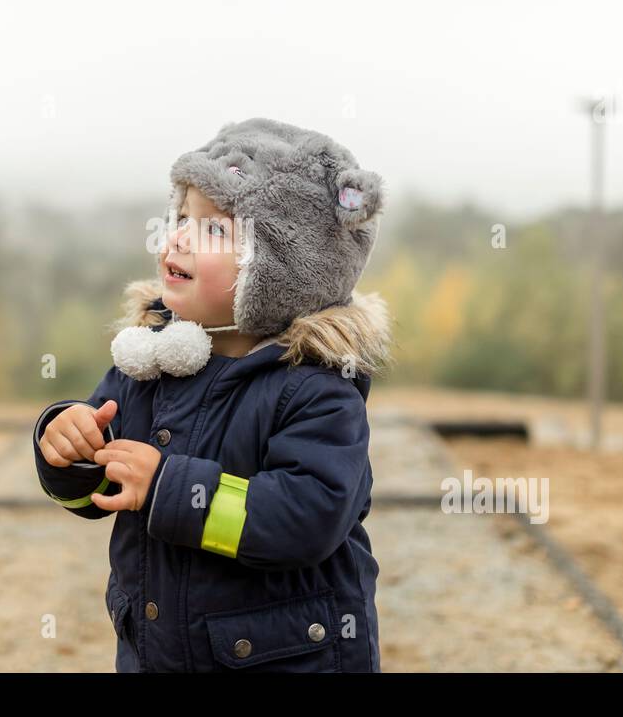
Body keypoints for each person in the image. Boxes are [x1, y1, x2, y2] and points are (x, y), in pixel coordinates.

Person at [33, 117, 392, 672]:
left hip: (286, 658)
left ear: (282, 271)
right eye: (181, 218)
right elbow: (103, 487)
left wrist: (167, 488)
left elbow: (310, 516)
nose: (177, 236)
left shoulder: (315, 387)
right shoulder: (148, 363)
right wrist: (68, 450)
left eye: (215, 230)